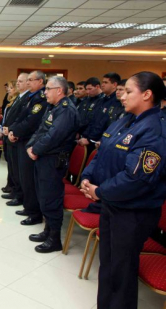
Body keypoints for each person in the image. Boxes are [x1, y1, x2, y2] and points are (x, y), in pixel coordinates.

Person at [81, 72, 166, 309]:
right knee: (108, 265)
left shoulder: (154, 131)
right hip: (112, 204)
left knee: (122, 271)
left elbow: (136, 179)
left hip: (133, 212)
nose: (122, 96)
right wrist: (88, 178)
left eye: (129, 92)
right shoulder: (124, 120)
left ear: (147, 95)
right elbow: (102, 151)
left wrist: (100, 192)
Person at [26, 76, 80, 253]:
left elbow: (54, 136)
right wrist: (31, 146)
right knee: (43, 195)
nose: (45, 92)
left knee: (51, 198)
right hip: (43, 157)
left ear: (59, 90)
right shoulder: (53, 107)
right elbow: (41, 130)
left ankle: (54, 238)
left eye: (48, 89)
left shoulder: (66, 110)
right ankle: (47, 230)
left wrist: (36, 150)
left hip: (53, 160)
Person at [8, 71, 47, 219]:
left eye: (31, 80)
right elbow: (20, 117)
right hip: (21, 139)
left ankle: (33, 211)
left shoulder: (41, 99)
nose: (28, 82)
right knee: (23, 176)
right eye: (28, 80)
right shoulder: (31, 97)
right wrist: (12, 130)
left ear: (40, 82)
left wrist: (15, 131)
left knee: (29, 178)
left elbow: (32, 122)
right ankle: (28, 206)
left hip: (30, 141)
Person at [1, 73, 29, 204]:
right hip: (10, 134)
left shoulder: (26, 99)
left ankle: (19, 195)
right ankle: (14, 190)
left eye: (20, 81)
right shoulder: (17, 99)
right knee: (12, 166)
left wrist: (11, 129)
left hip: (17, 137)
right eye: (17, 81)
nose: (18, 84)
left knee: (17, 169)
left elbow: (23, 119)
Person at [80, 73, 122, 153]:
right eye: (102, 82)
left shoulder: (117, 102)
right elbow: (93, 120)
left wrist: (90, 139)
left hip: (101, 142)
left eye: (105, 83)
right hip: (91, 140)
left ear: (114, 85)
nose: (102, 85)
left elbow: (105, 124)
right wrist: (86, 136)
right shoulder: (102, 100)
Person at [0, 81, 19, 192]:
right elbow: (6, 117)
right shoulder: (10, 101)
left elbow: (16, 118)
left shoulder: (17, 101)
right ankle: (10, 184)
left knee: (13, 163)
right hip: (6, 132)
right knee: (9, 161)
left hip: (11, 134)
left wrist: (9, 128)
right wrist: (1, 125)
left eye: (11, 87)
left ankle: (13, 186)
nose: (8, 89)